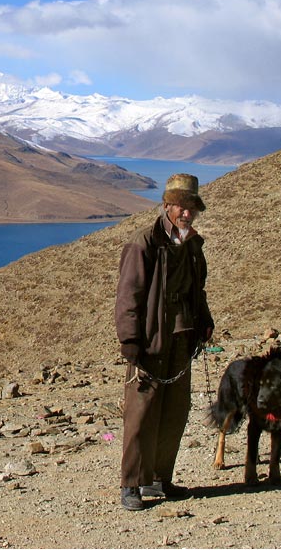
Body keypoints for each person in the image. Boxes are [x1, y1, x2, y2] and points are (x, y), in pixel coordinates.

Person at [114, 173, 215, 511]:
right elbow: (130, 294)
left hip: (182, 339)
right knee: (141, 412)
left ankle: (160, 478)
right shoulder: (145, 242)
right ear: (168, 206)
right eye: (181, 207)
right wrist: (129, 339)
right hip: (151, 340)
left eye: (192, 209)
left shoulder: (192, 244)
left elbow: (195, 291)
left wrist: (204, 321)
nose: (187, 214)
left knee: (174, 410)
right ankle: (132, 484)